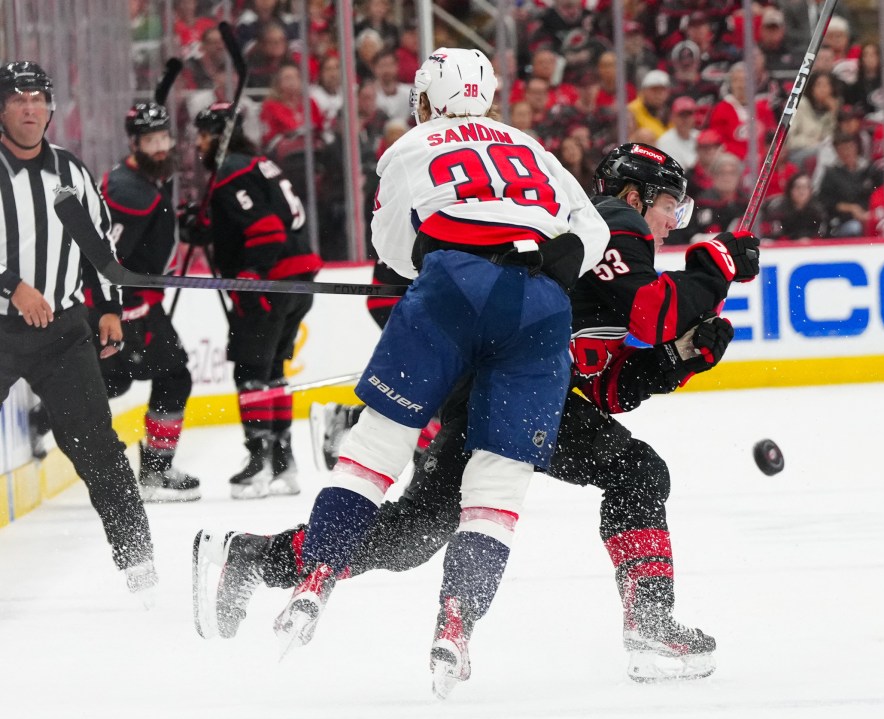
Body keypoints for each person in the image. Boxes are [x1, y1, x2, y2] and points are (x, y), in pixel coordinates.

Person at [194, 142, 761, 685]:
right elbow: (650, 312)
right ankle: (650, 624)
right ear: (636, 196)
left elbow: (609, 387)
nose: (674, 222)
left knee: (413, 534)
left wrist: (676, 360)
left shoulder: (614, 247)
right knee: (637, 472)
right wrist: (715, 267)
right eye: (671, 206)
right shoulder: (614, 220)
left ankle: (251, 557)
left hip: (513, 391)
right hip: (517, 388)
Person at [193, 47, 611, 698]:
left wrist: (440, 266)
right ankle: (456, 622)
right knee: (496, 495)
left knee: (373, 455)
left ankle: (315, 576)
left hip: (451, 294)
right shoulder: (532, 148)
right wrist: (547, 264)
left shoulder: (413, 145)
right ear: (490, 97)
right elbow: (590, 232)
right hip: (539, 312)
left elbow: (391, 249)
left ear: (426, 99)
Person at [0, 61, 156, 598]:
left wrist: (109, 306)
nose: (29, 109)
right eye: (18, 99)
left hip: (63, 332)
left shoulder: (69, 172)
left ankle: (139, 563)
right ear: (1, 108)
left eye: (38, 99)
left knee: (98, 447)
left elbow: (98, 246)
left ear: (49, 108)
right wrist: (11, 286)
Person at [191, 101, 323, 499]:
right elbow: (248, 221)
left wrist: (250, 278)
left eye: (202, 135)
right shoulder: (258, 162)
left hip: (270, 283)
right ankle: (284, 463)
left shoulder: (230, 169)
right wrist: (203, 226)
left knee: (250, 371)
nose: (198, 144)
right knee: (274, 370)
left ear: (217, 135)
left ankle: (258, 464)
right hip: (299, 280)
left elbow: (266, 230)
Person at [96, 101, 201, 501]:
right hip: (127, 309)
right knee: (166, 376)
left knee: (120, 379)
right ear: (135, 143)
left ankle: (156, 469)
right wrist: (114, 308)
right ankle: (156, 475)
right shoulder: (129, 191)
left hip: (138, 303)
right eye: (152, 140)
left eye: (165, 138)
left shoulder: (145, 180)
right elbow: (105, 258)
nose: (161, 147)